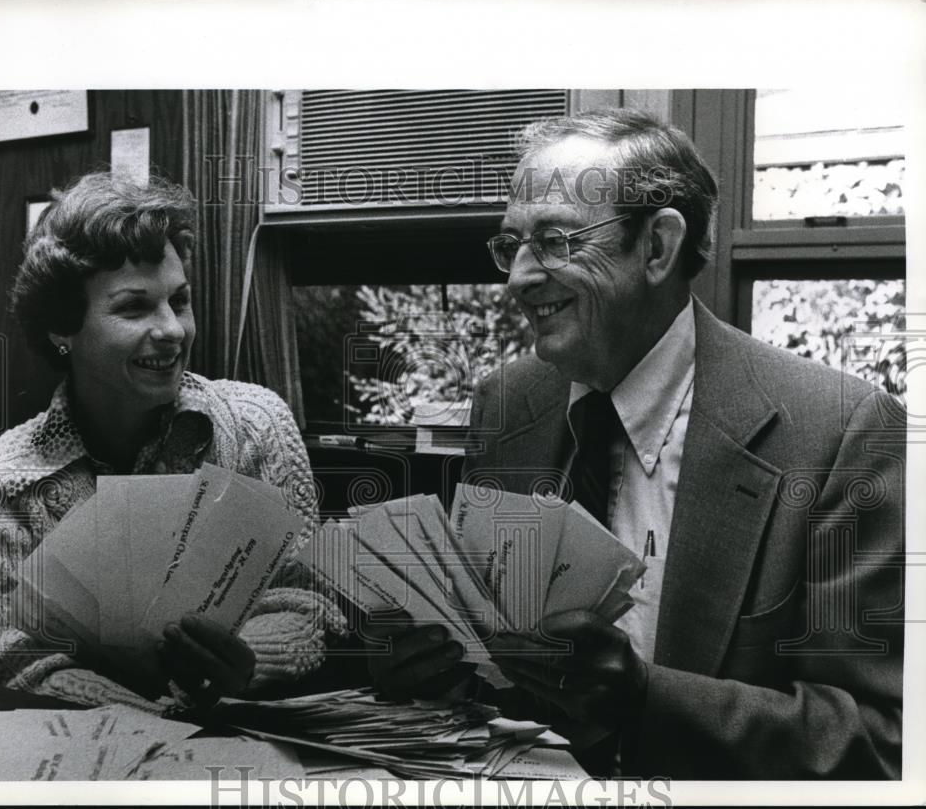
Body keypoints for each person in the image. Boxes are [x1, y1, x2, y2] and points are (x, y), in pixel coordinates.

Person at [366, 109, 904, 778]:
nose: (518, 279)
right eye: (512, 245)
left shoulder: (840, 430)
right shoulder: (508, 403)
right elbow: (495, 677)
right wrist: (435, 667)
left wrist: (648, 698)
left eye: (557, 240)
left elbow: (882, 744)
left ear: (657, 247)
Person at [0, 172, 345, 715]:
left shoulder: (257, 423)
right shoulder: (2, 480)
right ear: (61, 330)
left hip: (251, 727)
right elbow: (13, 654)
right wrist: (147, 719)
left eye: (180, 300)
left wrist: (250, 661)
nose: (173, 329)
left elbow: (307, 597)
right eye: (134, 308)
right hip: (87, 749)